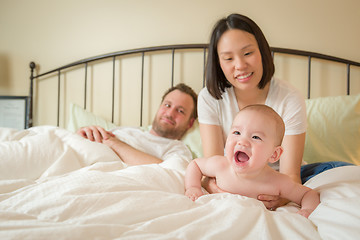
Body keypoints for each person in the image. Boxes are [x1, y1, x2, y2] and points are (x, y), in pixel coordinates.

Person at [197, 13, 351, 210]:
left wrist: (283, 197)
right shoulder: (210, 98)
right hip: (236, 177)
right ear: (218, 63)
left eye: (247, 53)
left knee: (340, 174)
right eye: (228, 58)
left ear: (262, 51)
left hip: (279, 182)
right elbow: (212, 168)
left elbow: (290, 175)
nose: (240, 65)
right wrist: (215, 188)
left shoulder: (289, 98)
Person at [185, 105, 320, 218]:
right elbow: (195, 164)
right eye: (237, 133)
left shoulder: (277, 182)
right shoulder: (220, 166)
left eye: (256, 137)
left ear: (274, 154)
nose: (242, 141)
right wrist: (193, 187)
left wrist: (308, 209)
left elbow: (308, 194)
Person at [77, 83, 198, 165]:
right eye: (167, 105)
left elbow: (168, 172)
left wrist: (114, 143)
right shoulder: (127, 130)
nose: (170, 113)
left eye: (180, 111)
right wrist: (84, 133)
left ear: (190, 123)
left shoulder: (178, 149)